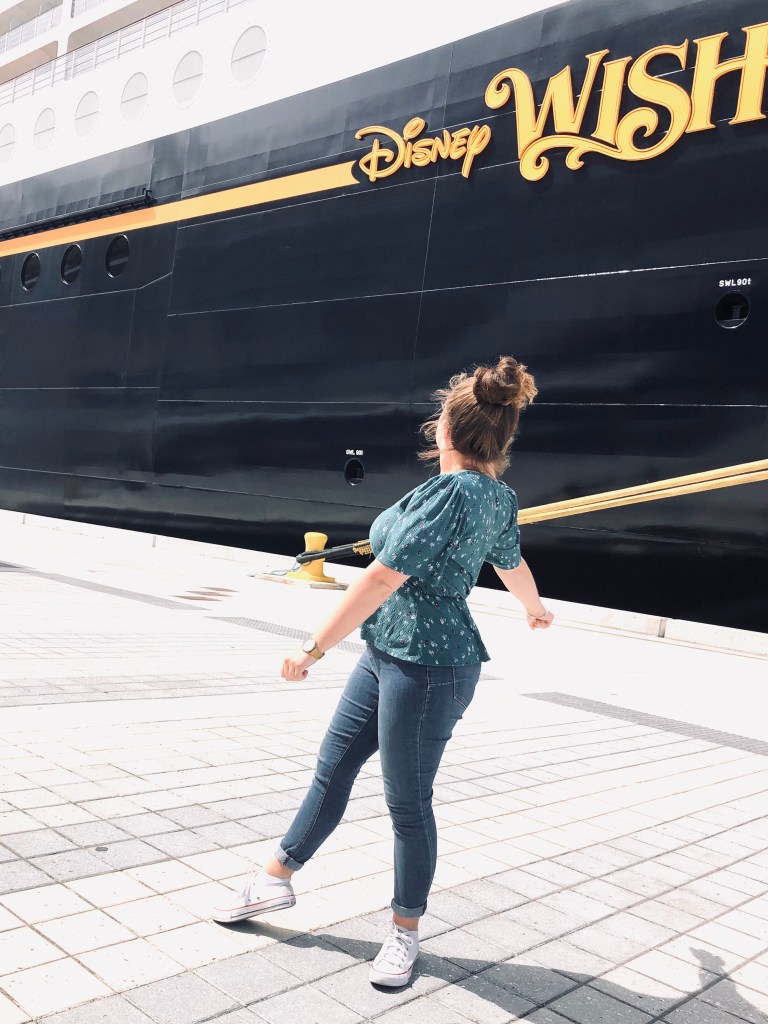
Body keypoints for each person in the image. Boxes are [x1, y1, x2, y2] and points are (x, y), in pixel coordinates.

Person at [212, 356, 554, 987]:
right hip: (386, 652)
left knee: (407, 804)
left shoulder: (452, 493)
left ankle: (404, 932)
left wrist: (311, 649)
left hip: (429, 669)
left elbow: (378, 578)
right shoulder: (493, 496)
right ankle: (273, 882)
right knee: (334, 766)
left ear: (445, 430)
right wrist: (534, 609)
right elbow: (510, 562)